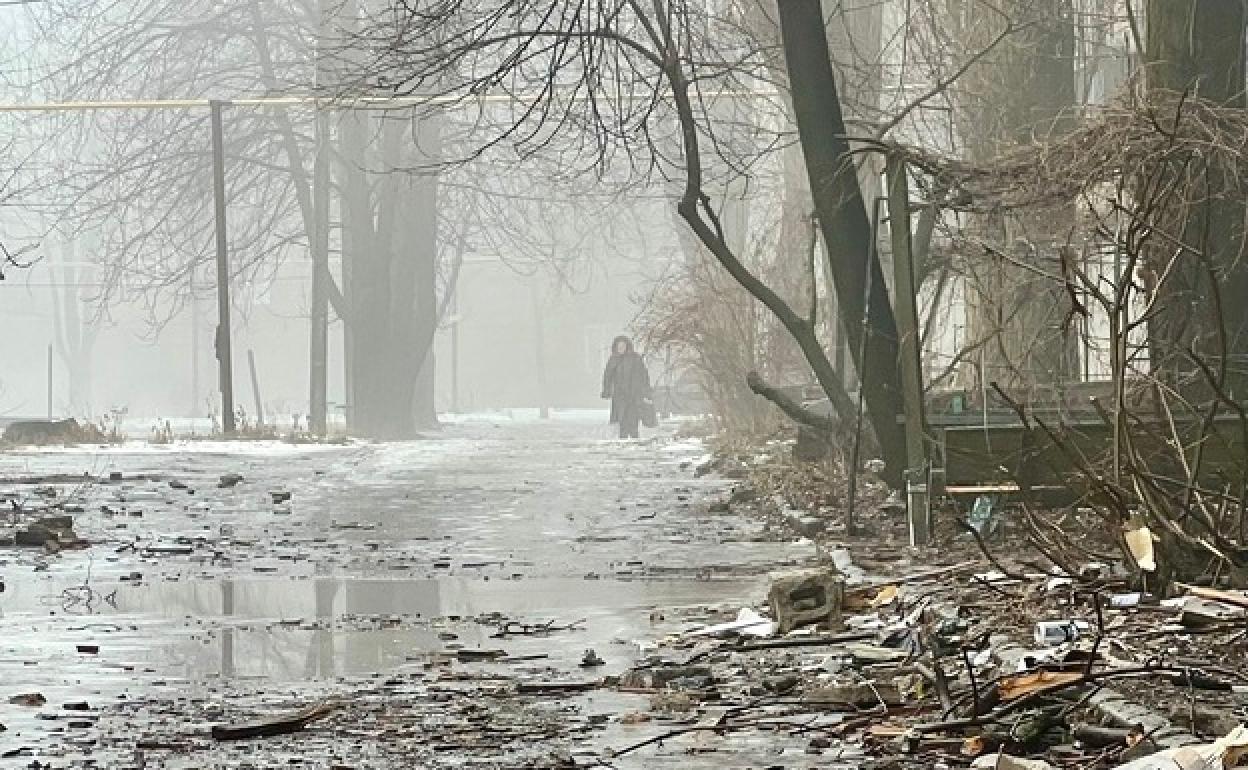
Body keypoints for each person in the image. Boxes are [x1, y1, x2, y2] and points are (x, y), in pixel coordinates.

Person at [601, 335, 652, 439]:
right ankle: (623, 439)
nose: (621, 349)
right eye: (619, 347)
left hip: (634, 394)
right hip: (619, 395)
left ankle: (634, 438)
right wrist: (606, 390)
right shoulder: (613, 360)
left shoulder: (635, 359)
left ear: (627, 346)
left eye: (623, 346)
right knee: (622, 419)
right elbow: (608, 376)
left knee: (633, 419)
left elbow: (644, 376)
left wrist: (646, 391)